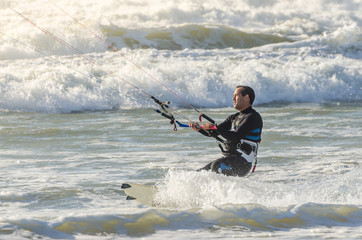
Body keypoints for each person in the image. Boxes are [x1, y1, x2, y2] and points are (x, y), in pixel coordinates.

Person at [189, 86, 263, 177]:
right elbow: (215, 133)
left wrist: (215, 127)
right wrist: (200, 129)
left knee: (216, 166)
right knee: (198, 174)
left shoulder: (253, 117)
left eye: (235, 96)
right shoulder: (233, 117)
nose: (232, 99)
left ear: (246, 97)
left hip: (242, 163)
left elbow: (236, 136)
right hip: (229, 159)